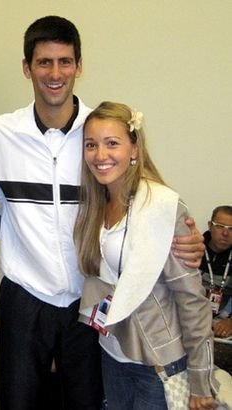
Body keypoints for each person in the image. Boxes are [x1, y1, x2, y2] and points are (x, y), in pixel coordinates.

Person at [0, 15, 206, 409]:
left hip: (86, 299)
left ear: (79, 66)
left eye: (65, 61)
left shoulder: (98, 132)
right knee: (18, 402)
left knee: (86, 401)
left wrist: (183, 239)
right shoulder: (2, 133)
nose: (55, 73)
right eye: (44, 62)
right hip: (24, 296)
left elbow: (140, 202)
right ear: (26, 68)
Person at [75, 101, 217, 410]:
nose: (100, 155)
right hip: (112, 351)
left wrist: (200, 379)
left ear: (135, 148)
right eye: (91, 145)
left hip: (157, 364)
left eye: (112, 143)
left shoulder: (162, 207)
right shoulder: (95, 205)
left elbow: (192, 301)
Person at [200, 206, 232, 338]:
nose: (225, 233)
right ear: (210, 226)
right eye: (220, 226)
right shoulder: (192, 250)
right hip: (188, 320)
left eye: (231, 229)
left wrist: (231, 320)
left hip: (223, 323)